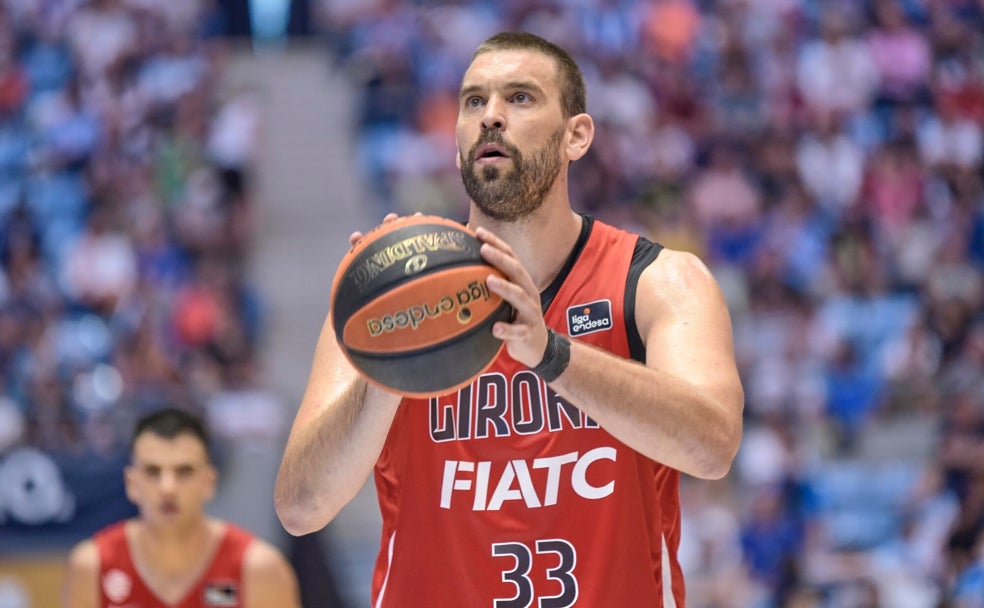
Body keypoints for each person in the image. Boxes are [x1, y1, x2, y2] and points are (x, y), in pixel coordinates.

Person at [274, 31, 744, 607]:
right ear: (454, 143)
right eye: (474, 101)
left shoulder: (656, 282)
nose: (490, 116)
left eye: (520, 98)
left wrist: (551, 352)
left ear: (577, 136)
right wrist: (389, 359)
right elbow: (301, 507)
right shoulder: (383, 301)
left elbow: (712, 448)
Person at [62, 407, 300, 608]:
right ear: (131, 483)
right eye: (153, 471)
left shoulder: (259, 568)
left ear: (208, 482)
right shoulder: (93, 566)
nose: (168, 488)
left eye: (184, 471)